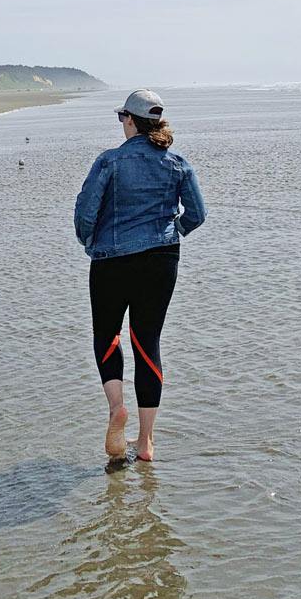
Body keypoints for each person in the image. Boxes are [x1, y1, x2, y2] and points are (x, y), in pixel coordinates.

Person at [74, 89, 207, 461]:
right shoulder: (177, 162)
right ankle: (146, 442)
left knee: (107, 336)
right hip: (161, 260)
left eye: (122, 118)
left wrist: (91, 243)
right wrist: (172, 232)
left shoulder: (109, 161)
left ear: (130, 120)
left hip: (111, 260)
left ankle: (117, 407)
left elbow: (85, 212)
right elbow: (197, 213)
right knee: (147, 343)